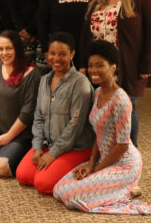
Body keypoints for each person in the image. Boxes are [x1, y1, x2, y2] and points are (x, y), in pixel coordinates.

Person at [53, 41, 151, 215]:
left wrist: (96, 170)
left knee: (72, 197)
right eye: (91, 66)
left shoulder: (121, 100)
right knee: (59, 189)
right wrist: (90, 163)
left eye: (100, 66)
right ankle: (117, 190)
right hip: (103, 160)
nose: (93, 70)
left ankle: (125, 189)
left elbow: (123, 145)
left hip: (125, 164)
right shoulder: (97, 93)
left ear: (113, 67)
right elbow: (99, 133)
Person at [79, 0, 151, 147]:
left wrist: (146, 63)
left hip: (129, 66)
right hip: (99, 68)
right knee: (102, 110)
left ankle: (130, 154)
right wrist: (83, 64)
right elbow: (85, 34)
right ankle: (106, 150)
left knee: (127, 109)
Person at [16, 32, 94, 194]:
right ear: (46, 54)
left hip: (75, 146)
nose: (56, 58)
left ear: (72, 54)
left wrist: (53, 154)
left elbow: (75, 126)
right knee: (23, 176)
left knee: (42, 184)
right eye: (52, 53)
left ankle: (83, 168)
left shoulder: (80, 84)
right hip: (48, 143)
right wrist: (37, 147)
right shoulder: (44, 80)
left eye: (62, 54)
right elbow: (38, 117)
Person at [0, 30, 41, 176]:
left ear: (18, 48)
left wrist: (9, 136)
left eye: (9, 48)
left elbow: (27, 113)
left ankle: (7, 154)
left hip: (18, 134)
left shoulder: (32, 74)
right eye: (0, 49)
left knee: (1, 168)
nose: (4, 53)